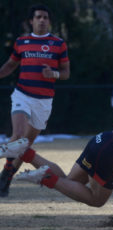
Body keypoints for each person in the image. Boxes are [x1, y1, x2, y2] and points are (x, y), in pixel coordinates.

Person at [0, 4, 70, 197]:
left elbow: (66, 73)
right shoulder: (21, 42)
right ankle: (6, 175)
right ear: (31, 21)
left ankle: (7, 174)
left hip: (44, 102)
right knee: (19, 135)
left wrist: (53, 73)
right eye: (38, 17)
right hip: (22, 94)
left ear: (49, 21)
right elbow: (10, 65)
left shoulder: (58, 44)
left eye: (45, 17)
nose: (42, 20)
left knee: (25, 145)